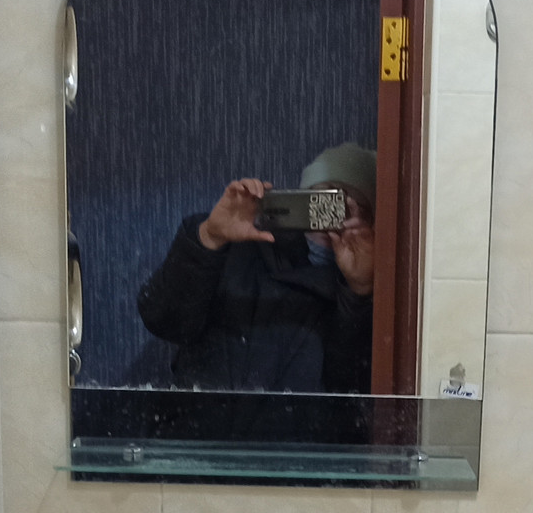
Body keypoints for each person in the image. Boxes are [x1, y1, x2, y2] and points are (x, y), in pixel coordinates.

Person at [137, 143, 377, 393]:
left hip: (297, 418)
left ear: (371, 221)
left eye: (348, 207)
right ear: (300, 200)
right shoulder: (240, 249)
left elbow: (350, 384)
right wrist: (208, 238)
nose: (332, 215)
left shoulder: (364, 289)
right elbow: (164, 320)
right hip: (203, 415)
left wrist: (359, 291)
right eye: (322, 200)